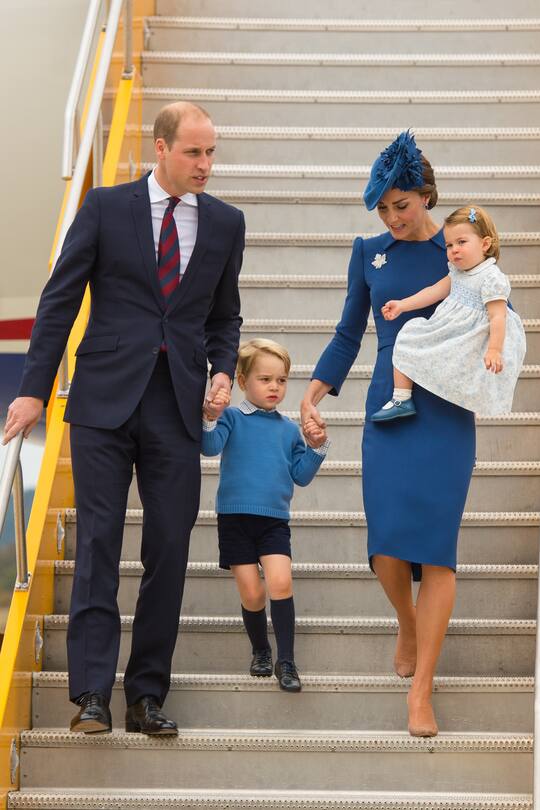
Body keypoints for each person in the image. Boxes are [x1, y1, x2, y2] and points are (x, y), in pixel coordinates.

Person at [2, 101, 245, 735]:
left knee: (168, 548)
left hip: (177, 408)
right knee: (100, 544)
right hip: (103, 403)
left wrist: (222, 369)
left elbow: (224, 317)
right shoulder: (107, 207)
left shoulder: (225, 223)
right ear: (159, 149)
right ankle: (90, 694)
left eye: (211, 152)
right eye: (194, 152)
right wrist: (33, 389)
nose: (205, 165)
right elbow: (60, 299)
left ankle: (146, 696)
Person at [301, 130, 477, 737]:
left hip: (447, 410)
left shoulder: (458, 252)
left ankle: (422, 690)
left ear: (425, 195)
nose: (392, 218)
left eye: (400, 205)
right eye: (382, 209)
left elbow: (489, 313)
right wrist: (314, 391)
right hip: (388, 408)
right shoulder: (368, 252)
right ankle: (406, 618)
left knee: (436, 549)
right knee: (385, 549)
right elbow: (350, 333)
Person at [201, 339, 329, 692]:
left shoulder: (289, 430)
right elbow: (209, 447)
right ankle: (260, 648)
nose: (275, 387)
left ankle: (285, 661)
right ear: (242, 382)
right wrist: (210, 417)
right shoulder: (231, 418)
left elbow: (300, 475)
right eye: (265, 379)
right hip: (234, 519)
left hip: (273, 521)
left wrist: (317, 447)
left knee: (280, 583)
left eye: (282, 380)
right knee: (252, 593)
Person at [371, 205, 526, 421]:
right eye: (449, 245)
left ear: (485, 243)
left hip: (472, 337)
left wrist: (494, 350)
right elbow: (433, 292)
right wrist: (402, 305)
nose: (454, 249)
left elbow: (498, 316)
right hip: (450, 329)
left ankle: (451, 391)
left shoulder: (491, 277)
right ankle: (402, 398)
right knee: (409, 334)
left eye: (462, 242)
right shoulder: (457, 272)